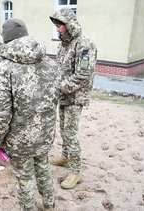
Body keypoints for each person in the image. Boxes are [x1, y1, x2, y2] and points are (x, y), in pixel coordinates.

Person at [0, 18, 60, 210]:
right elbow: (54, 99)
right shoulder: (49, 63)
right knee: (43, 168)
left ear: (6, 40)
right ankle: (50, 204)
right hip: (44, 134)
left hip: (19, 140)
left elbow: (0, 114)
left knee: (25, 178)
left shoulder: (4, 68)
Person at [49, 7, 98, 189]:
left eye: (60, 25)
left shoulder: (84, 44)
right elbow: (59, 69)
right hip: (63, 95)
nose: (57, 29)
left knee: (70, 133)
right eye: (56, 25)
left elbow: (82, 75)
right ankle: (66, 156)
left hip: (75, 96)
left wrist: (59, 88)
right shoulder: (64, 44)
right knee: (63, 128)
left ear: (69, 25)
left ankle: (76, 171)